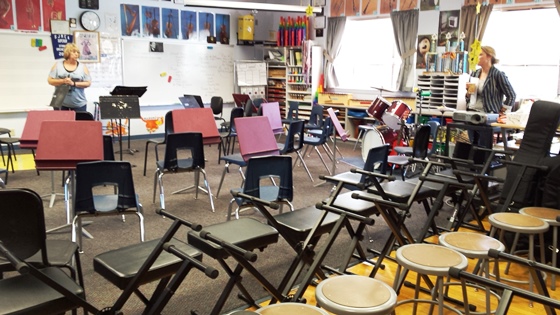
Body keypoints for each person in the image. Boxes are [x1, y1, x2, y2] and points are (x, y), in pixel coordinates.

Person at [466, 46, 516, 115]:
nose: (476, 57)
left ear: (489, 56)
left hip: (489, 114)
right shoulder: (474, 73)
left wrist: (503, 112)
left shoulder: (497, 74)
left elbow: (511, 95)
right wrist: (468, 92)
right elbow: (468, 96)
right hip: (471, 111)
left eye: (480, 54)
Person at [47, 43, 91, 112]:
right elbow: (50, 81)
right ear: (67, 53)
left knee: (79, 122)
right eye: (74, 52)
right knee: (61, 123)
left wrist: (73, 83)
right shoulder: (57, 65)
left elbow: (88, 83)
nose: (76, 54)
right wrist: (63, 81)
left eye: (78, 52)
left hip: (78, 103)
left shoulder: (82, 67)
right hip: (59, 102)